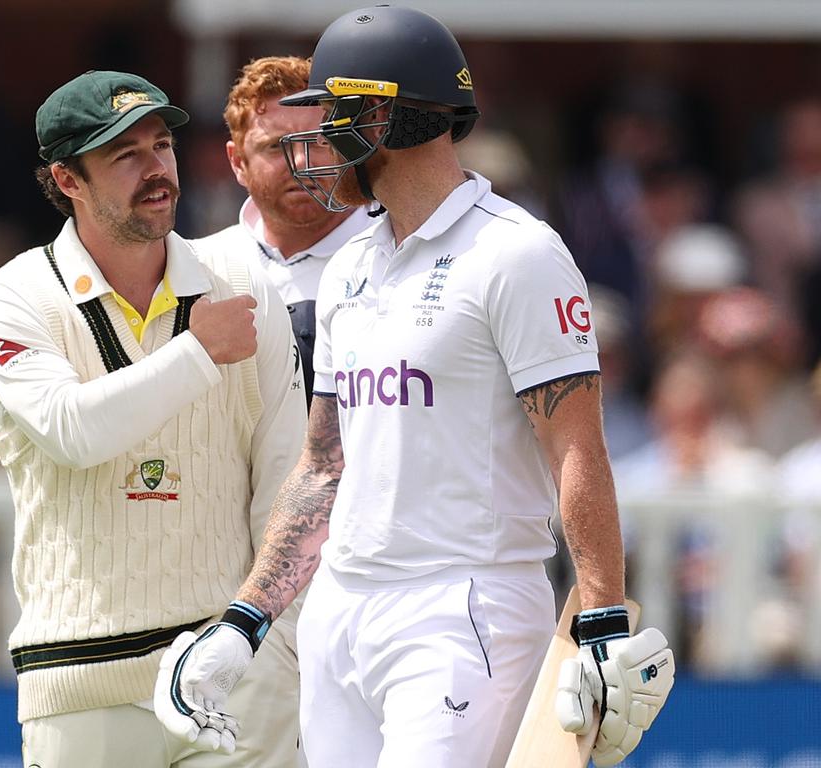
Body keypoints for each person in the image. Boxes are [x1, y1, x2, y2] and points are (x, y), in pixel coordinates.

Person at [154, 8, 675, 768]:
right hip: (341, 606)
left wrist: (600, 622)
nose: (318, 147)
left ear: (382, 116)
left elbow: (576, 447)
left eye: (335, 118)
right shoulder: (351, 266)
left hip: (464, 608)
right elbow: (325, 466)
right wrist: (246, 619)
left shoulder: (516, 253)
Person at [0, 70, 307, 768]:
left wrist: (274, 644)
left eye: (162, 145)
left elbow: (285, 481)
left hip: (232, 670)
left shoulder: (246, 288)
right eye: (125, 155)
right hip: (81, 682)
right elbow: (74, 433)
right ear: (68, 180)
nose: (157, 171)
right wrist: (200, 351)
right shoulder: (12, 299)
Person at [193, 56, 374, 403]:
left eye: (319, 141)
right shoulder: (198, 266)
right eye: (276, 146)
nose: (302, 162)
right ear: (237, 162)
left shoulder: (397, 253)